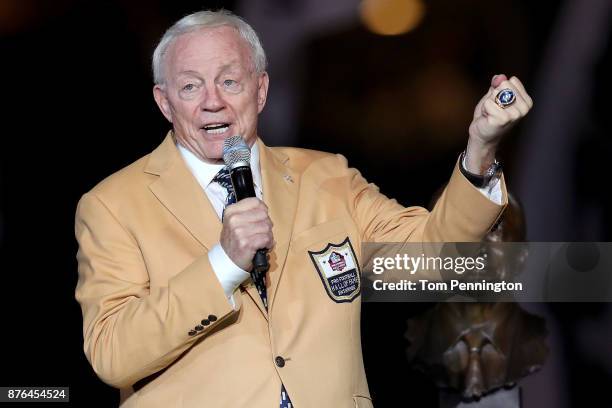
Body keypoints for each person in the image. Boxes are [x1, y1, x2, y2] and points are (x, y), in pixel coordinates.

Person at [74, 9, 532, 408]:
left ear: (260, 90)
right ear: (164, 103)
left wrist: (479, 150)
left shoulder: (326, 177)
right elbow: (112, 353)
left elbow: (431, 257)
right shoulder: (113, 205)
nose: (212, 100)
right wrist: (222, 265)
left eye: (229, 81)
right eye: (190, 86)